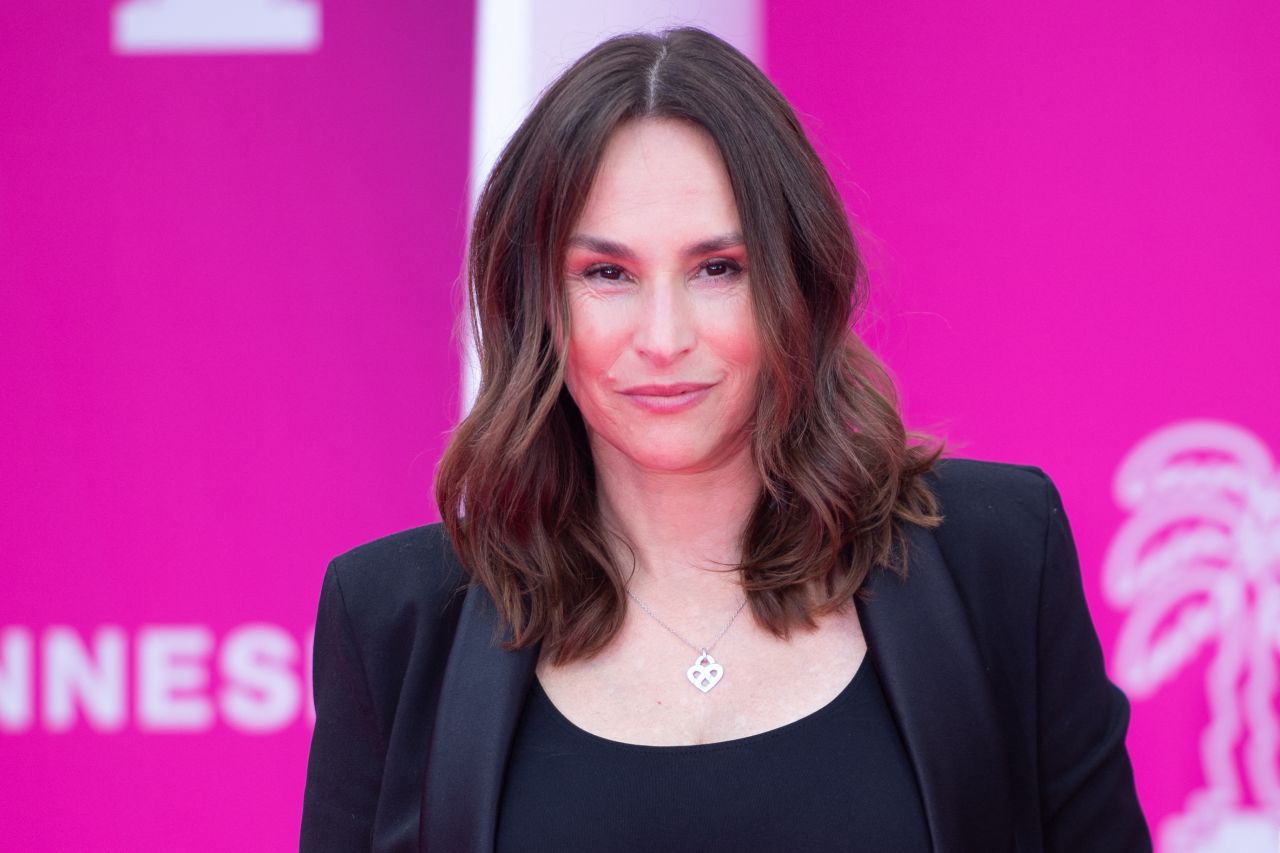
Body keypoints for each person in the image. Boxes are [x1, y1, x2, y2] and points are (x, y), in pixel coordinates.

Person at [301, 27, 1151, 853]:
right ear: (535, 304)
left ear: (796, 281)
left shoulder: (997, 555)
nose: (663, 337)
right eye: (607, 273)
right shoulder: (394, 619)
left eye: (717, 268)